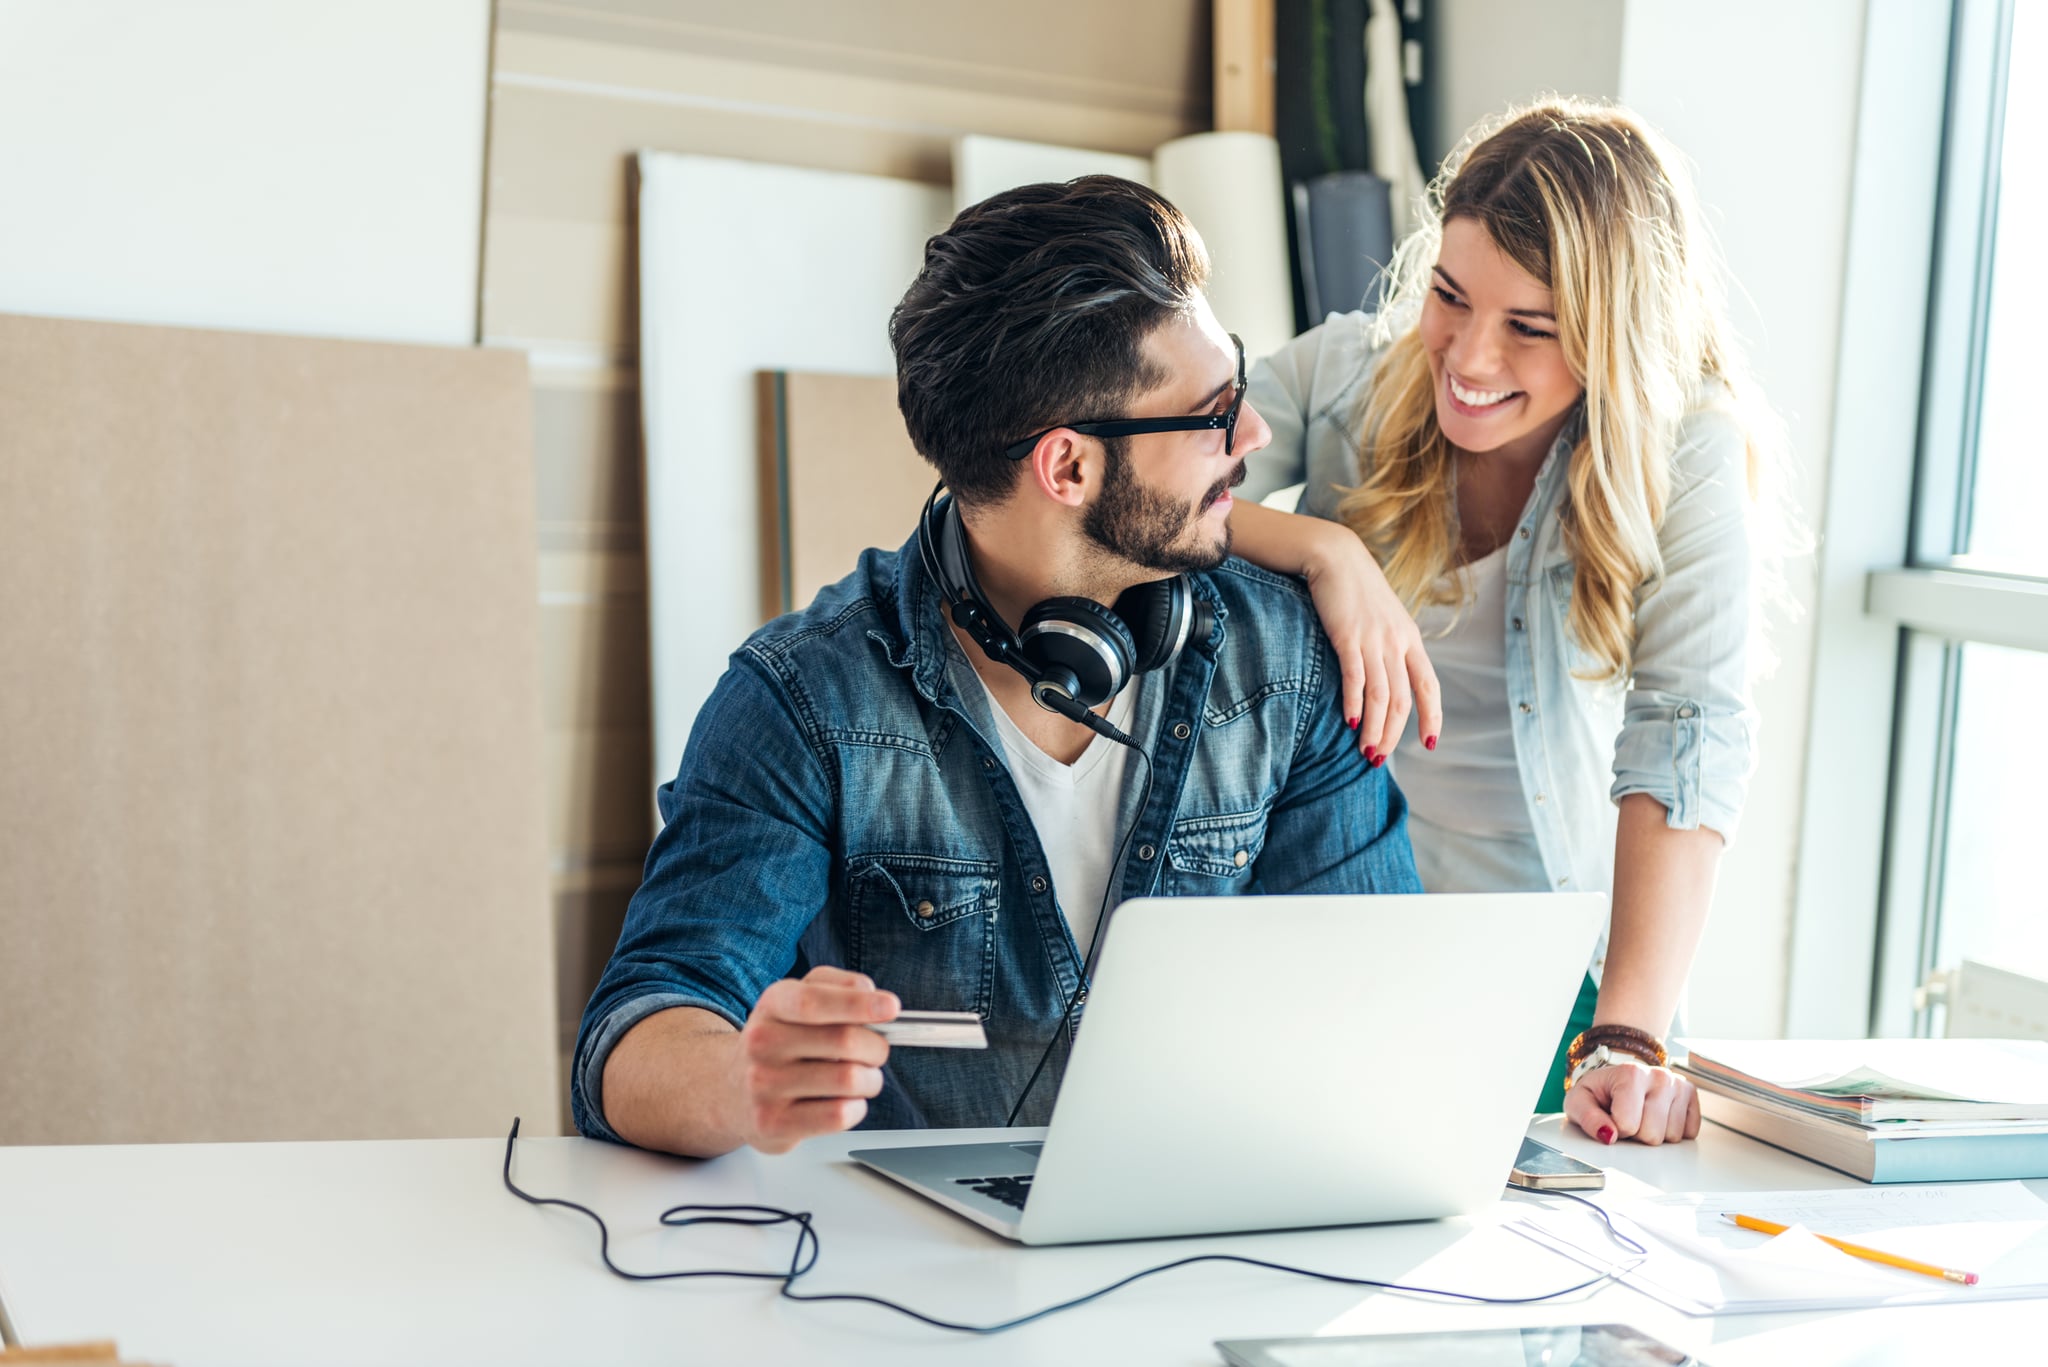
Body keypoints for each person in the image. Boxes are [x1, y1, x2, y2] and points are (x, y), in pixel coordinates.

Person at [571, 177, 1420, 1159]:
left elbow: (1381, 1011)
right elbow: (635, 1033)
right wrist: (740, 1076)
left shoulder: (1288, 665)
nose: (1256, 435)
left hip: (1203, 1252)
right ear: (1065, 468)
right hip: (915, 1289)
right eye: (1212, 413)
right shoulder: (805, 700)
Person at [1227, 98, 1799, 1148]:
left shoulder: (1686, 450)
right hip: (1334, 929)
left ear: (1611, 331)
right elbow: (1159, 509)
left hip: (1549, 967)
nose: (1469, 358)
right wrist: (1324, 547)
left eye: (1528, 327)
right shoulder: (1339, 378)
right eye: (1449, 296)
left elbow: (1685, 730)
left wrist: (1627, 1031)